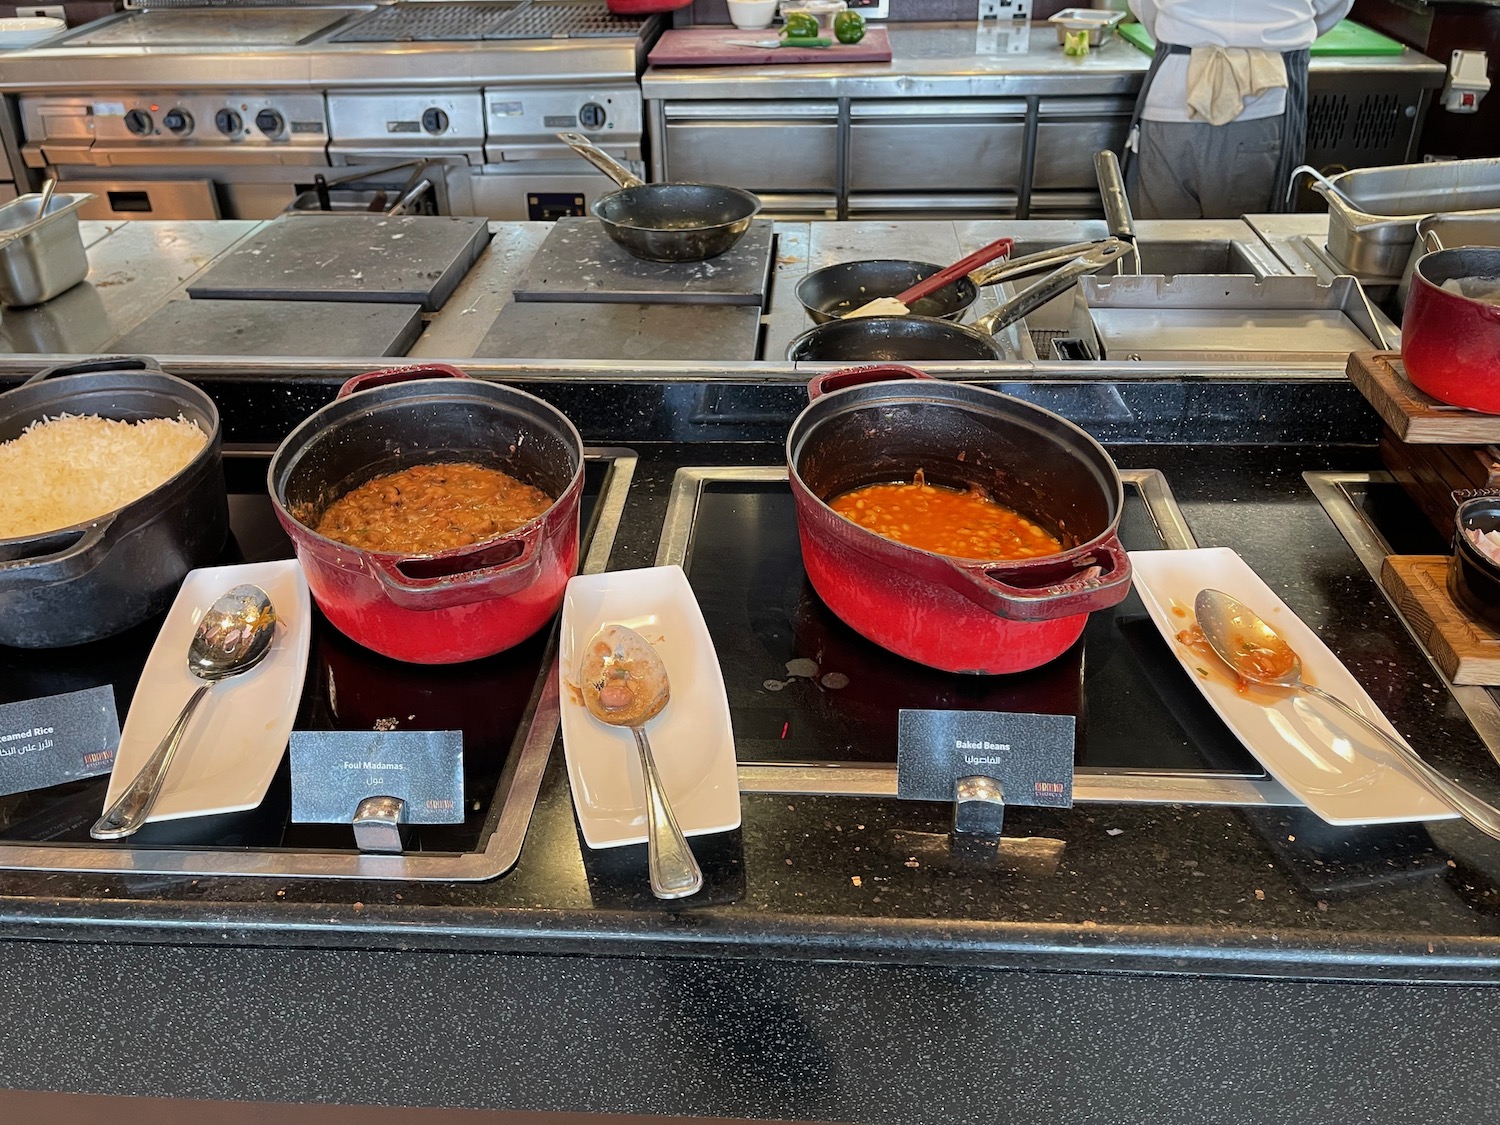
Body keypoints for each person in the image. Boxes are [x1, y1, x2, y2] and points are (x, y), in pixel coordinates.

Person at [1124, 0, 1354, 219]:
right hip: (1265, 90)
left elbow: (1145, 7)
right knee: (1249, 245)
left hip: (1174, 83)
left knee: (1162, 243)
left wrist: (1192, 34)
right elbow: (1331, 6)